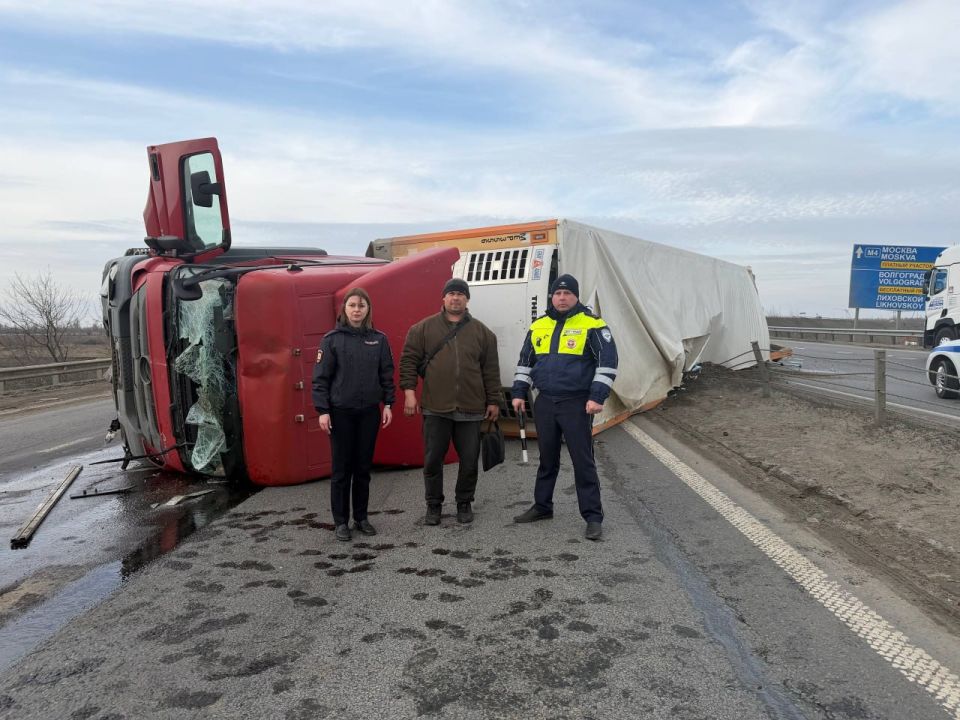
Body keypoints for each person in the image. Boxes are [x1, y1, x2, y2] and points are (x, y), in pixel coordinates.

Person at [511, 274, 618, 541]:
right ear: (551, 296)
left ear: (576, 296)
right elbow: (525, 362)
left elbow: (608, 363)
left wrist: (597, 396)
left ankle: (593, 517)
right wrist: (518, 392)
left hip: (576, 403)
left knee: (583, 461)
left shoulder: (593, 325)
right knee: (547, 459)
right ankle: (543, 506)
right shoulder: (539, 325)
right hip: (545, 401)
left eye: (567, 293)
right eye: (557, 294)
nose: (562, 298)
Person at [399, 278, 501, 526]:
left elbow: (490, 370)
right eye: (451, 293)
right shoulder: (421, 329)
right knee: (433, 459)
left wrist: (494, 400)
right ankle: (433, 505)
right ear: (443, 298)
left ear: (467, 299)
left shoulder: (483, 333)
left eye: (460, 294)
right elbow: (408, 363)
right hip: (435, 407)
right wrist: (410, 394)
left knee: (468, 460)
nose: (456, 298)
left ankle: (464, 503)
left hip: (472, 407)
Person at [313, 288, 395, 542]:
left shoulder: (379, 339)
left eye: (361, 305)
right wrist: (323, 411)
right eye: (352, 305)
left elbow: (386, 375)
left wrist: (389, 404)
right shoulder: (332, 340)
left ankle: (361, 517)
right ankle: (341, 522)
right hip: (341, 414)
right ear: (345, 309)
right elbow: (320, 379)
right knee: (341, 470)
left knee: (362, 469)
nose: (357, 309)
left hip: (369, 413)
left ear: (368, 309)